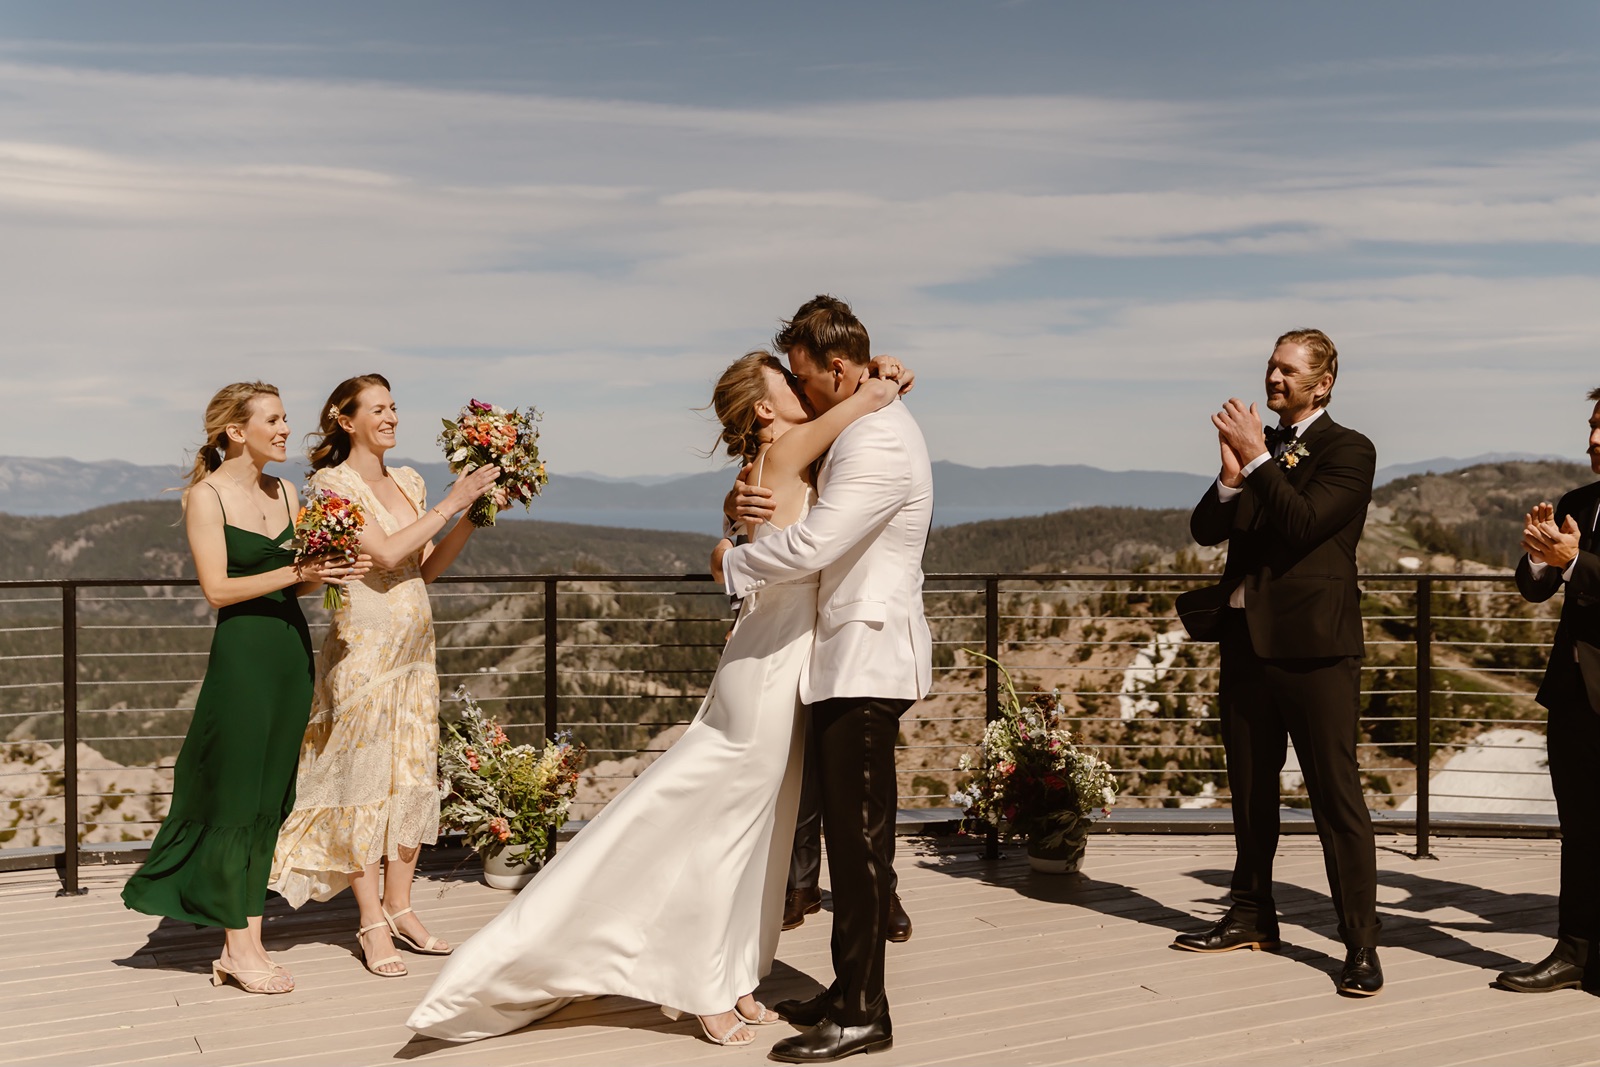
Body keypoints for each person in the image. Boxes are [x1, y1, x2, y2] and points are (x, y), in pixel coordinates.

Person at [406, 350, 904, 1048]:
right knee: (725, 831)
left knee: (749, 831)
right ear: (764, 408)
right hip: (764, 668)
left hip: (778, 656)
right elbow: (862, 403)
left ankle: (731, 971)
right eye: (786, 382)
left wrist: (728, 534)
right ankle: (702, 984)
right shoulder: (789, 444)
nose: (801, 388)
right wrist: (885, 381)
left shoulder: (763, 464)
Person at [715, 295, 934, 1063]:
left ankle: (866, 1012)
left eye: (806, 381)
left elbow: (814, 543)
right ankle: (847, 989)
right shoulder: (866, 414)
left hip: (867, 656)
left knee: (863, 842)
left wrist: (733, 563)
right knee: (850, 834)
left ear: (838, 370)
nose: (802, 396)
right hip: (846, 655)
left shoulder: (877, 440)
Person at [122, 382, 366, 994]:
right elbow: (219, 591)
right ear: (237, 430)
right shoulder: (207, 497)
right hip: (243, 658)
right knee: (235, 797)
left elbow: (298, 586)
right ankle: (237, 944)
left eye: (285, 419)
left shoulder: (286, 492)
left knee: (268, 802)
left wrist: (327, 572)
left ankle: (247, 942)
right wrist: (300, 570)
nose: (287, 429)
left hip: (289, 653)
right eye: (274, 420)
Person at [1173, 328, 1383, 997]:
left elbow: (1301, 523)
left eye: (1289, 370)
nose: (1275, 378)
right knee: (1252, 792)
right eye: (1270, 366)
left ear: (1323, 383)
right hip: (1245, 644)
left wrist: (1257, 458)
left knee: (1335, 799)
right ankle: (1251, 913)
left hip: (1316, 651)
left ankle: (1360, 943)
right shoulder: (1259, 449)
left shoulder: (1350, 450)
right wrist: (1233, 478)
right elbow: (1206, 528)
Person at [269, 374, 501, 978]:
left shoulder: (411, 481)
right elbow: (388, 552)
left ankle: (401, 905)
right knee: (361, 780)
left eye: (395, 406)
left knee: (411, 778)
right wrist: (451, 502)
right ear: (347, 421)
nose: (392, 416)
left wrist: (473, 515)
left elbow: (425, 566)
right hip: (365, 650)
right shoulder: (330, 483)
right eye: (378, 408)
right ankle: (370, 919)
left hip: (415, 649)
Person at [1498, 387, 1600, 993]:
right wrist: (1540, 558)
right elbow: (1535, 588)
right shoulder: (1578, 502)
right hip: (1573, 695)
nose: (1592, 439)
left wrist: (1573, 561)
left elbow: (1583, 569)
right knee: (1581, 830)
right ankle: (1574, 951)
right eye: (1591, 426)